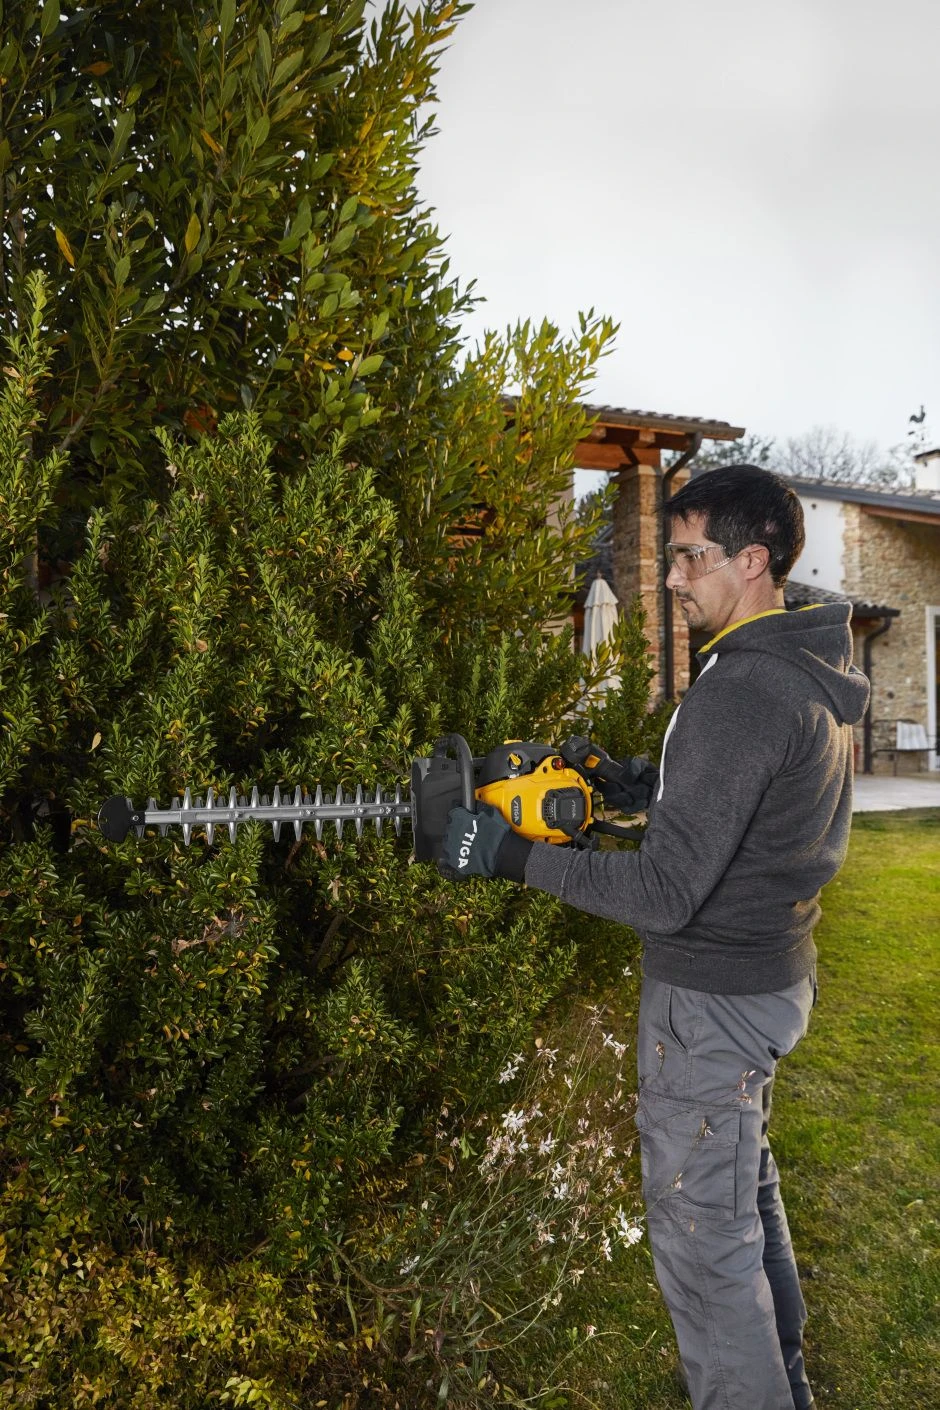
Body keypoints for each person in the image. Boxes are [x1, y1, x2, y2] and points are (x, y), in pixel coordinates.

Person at [439, 464, 870, 1410]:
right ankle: (786, 1384)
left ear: (753, 561)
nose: (671, 577)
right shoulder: (800, 671)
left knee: (705, 1246)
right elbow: (745, 814)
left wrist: (505, 855)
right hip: (766, 980)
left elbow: (668, 892)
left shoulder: (742, 692)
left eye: (689, 556)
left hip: (711, 1001)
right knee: (740, 1200)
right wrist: (639, 784)